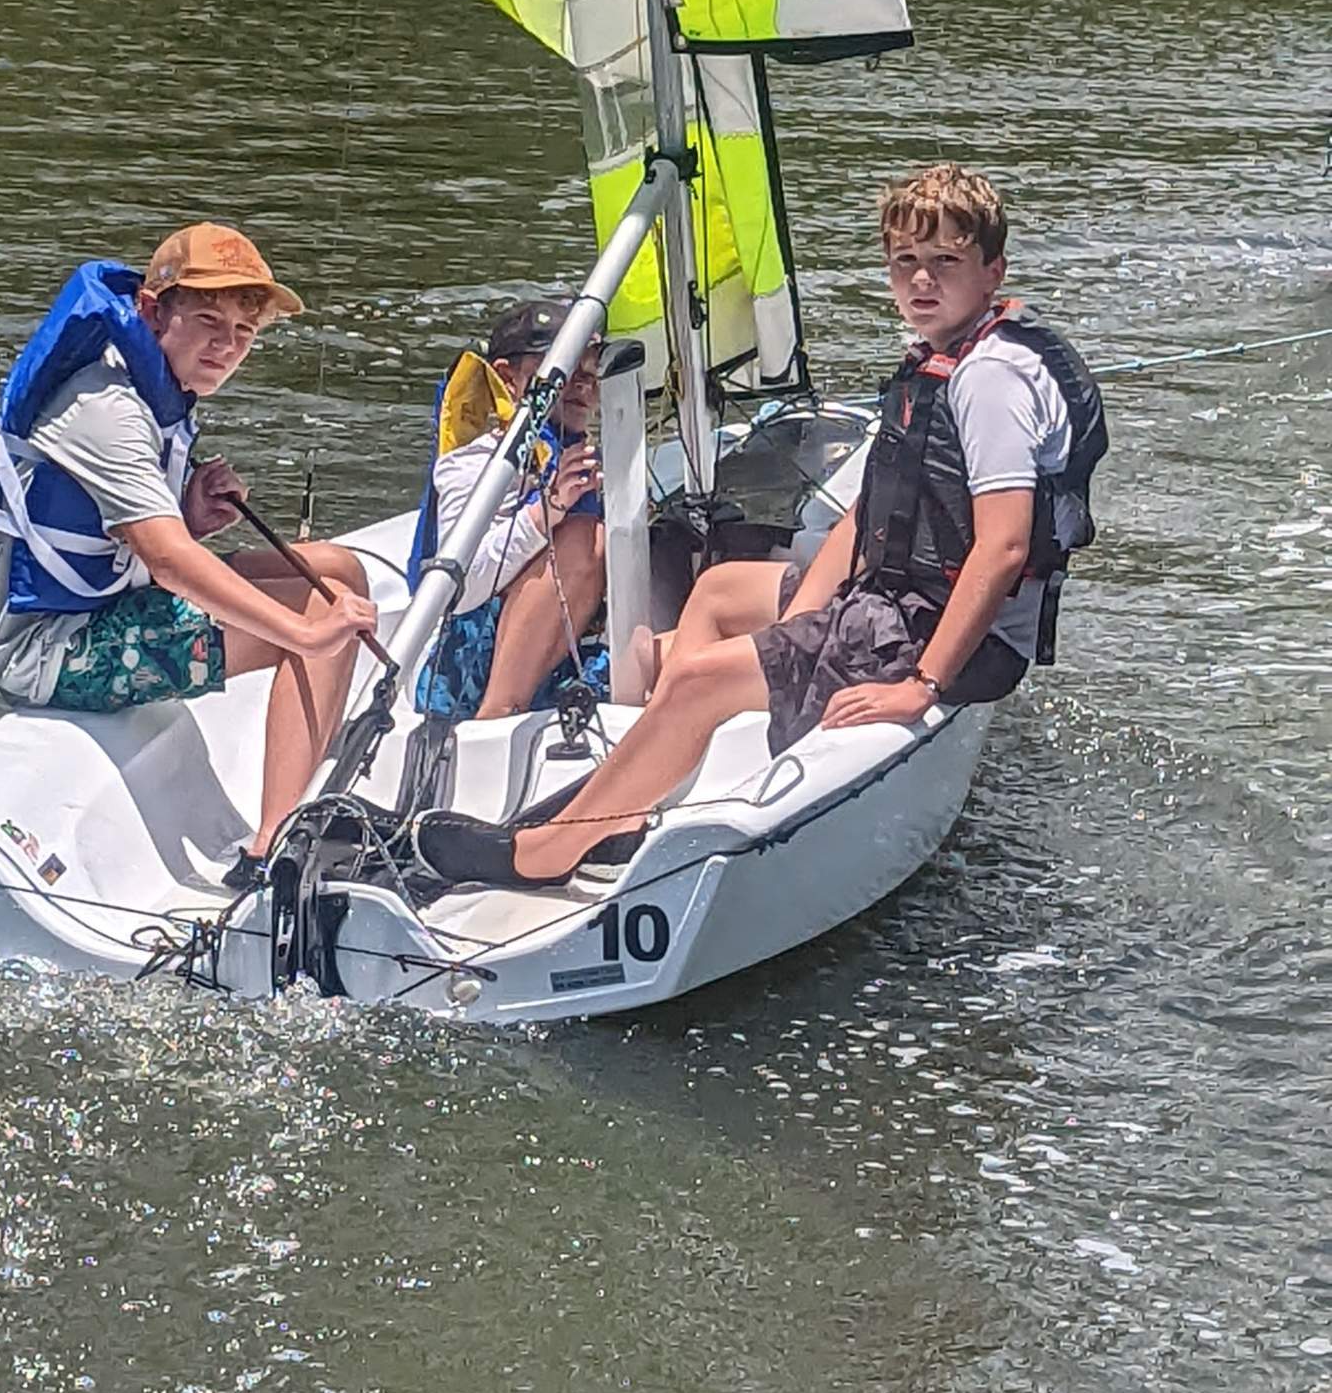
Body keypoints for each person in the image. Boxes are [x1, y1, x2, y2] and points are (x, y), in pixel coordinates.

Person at [413, 164, 1108, 890]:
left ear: (992, 270)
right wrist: (795, 635)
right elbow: (873, 511)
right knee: (719, 591)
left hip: (945, 638)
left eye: (945, 263)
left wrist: (924, 686)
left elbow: (1004, 547)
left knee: (700, 681)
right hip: (897, 600)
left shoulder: (989, 380)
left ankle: (548, 853)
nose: (921, 282)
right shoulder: (941, 357)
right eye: (905, 263)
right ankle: (628, 800)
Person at [0, 223, 378, 890]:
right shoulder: (105, 406)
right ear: (150, 310)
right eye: (208, 320)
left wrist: (192, 517)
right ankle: (274, 852)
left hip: (94, 614)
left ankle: (282, 824)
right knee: (316, 612)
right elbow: (168, 564)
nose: (226, 346)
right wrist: (305, 636)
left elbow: (132, 544)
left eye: (243, 332)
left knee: (336, 571)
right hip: (51, 653)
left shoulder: (152, 391)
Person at [408, 299, 606, 720]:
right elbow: (458, 589)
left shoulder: (584, 458)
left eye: (590, 374)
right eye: (564, 371)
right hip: (469, 668)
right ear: (506, 376)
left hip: (571, 653)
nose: (582, 386)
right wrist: (549, 510)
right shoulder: (475, 462)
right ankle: (496, 716)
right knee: (582, 539)